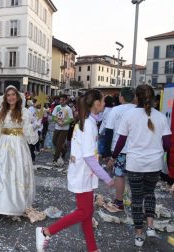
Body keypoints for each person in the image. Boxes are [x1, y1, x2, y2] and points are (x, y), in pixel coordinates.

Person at [36, 89, 114, 252]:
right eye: (103, 101)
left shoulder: (89, 122)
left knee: (87, 212)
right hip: (83, 174)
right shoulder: (88, 125)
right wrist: (106, 177)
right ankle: (46, 232)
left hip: (85, 174)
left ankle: (92, 249)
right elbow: (89, 157)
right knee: (84, 212)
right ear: (97, 104)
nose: (105, 105)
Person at [107, 84, 171, 247]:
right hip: (154, 164)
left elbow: (121, 141)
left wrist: (113, 157)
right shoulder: (161, 117)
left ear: (136, 97)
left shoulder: (129, 115)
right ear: (153, 98)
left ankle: (139, 235)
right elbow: (168, 144)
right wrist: (155, 150)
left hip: (135, 163)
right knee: (149, 194)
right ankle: (150, 226)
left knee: (136, 199)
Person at [0, 85, 38, 216]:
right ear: (5, 97)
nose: (11, 97)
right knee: (3, 173)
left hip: (19, 146)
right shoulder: (1, 112)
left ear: (17, 96)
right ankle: (2, 205)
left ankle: (17, 205)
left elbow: (27, 129)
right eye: (8, 95)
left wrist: (34, 129)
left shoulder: (24, 112)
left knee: (17, 173)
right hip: (4, 145)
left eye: (13, 94)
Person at [103, 87, 135, 210]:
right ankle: (135, 202)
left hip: (118, 149)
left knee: (119, 175)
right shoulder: (138, 110)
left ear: (121, 97)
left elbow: (109, 131)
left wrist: (106, 152)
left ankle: (119, 201)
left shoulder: (115, 110)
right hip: (135, 149)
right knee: (134, 177)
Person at [51, 94, 74, 167]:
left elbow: (71, 119)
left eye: (63, 100)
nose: (61, 101)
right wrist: (58, 122)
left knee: (59, 144)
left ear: (66, 100)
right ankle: (64, 151)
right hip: (57, 127)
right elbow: (53, 116)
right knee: (54, 141)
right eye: (60, 100)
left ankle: (56, 159)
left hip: (64, 129)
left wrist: (64, 123)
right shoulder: (57, 107)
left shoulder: (68, 109)